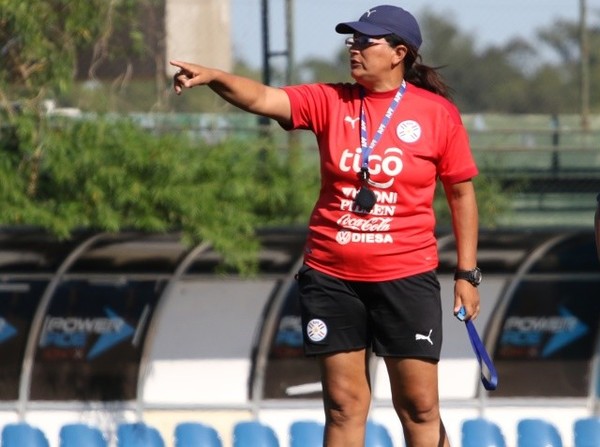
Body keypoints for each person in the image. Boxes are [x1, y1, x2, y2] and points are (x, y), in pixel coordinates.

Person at [171, 4, 480, 446]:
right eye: (351, 40)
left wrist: (467, 274)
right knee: (343, 406)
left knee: (420, 407)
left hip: (406, 276)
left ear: (398, 53)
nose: (354, 48)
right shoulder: (329, 100)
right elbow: (262, 97)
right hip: (331, 277)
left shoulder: (436, 113)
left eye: (365, 41)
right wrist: (215, 77)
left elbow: (462, 195)